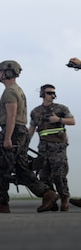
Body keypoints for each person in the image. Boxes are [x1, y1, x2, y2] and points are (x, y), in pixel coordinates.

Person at [0, 60, 58, 213]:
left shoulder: (10, 91)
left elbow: (11, 115)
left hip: (12, 131)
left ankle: (2, 202)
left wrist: (7, 138)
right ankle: (47, 193)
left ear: (8, 73)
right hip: (20, 131)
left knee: (1, 168)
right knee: (21, 169)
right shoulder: (18, 90)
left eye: (1, 71)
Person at [29, 84, 75, 212]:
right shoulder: (35, 112)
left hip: (58, 146)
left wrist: (58, 119)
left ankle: (64, 198)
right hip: (43, 147)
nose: (53, 95)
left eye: (54, 93)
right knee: (44, 175)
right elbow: (32, 129)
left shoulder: (61, 108)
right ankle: (51, 200)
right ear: (43, 94)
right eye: (49, 93)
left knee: (59, 175)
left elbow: (72, 121)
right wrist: (24, 144)